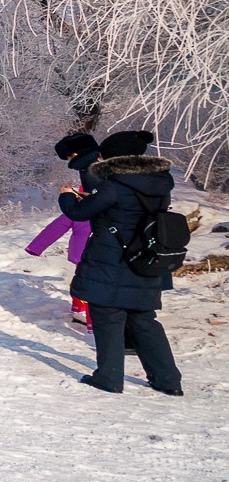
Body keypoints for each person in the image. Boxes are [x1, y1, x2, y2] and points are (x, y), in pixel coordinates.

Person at [61, 129, 183, 396]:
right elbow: (129, 211)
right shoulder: (160, 182)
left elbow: (78, 213)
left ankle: (109, 378)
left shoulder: (114, 184)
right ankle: (168, 381)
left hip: (112, 258)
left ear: (115, 155)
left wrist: (67, 195)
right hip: (145, 258)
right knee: (143, 319)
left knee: (108, 316)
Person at [26, 132, 98, 327]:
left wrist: (36, 247)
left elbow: (58, 226)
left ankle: (79, 309)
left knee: (84, 280)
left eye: (70, 157)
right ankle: (92, 320)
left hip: (85, 247)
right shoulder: (93, 192)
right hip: (95, 246)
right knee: (93, 284)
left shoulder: (80, 206)